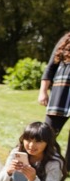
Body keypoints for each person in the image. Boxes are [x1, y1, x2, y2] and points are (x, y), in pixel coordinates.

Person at [38, 32, 70, 172]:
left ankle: (66, 170)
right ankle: (40, 165)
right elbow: (51, 67)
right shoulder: (66, 39)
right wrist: (43, 91)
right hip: (61, 93)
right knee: (46, 134)